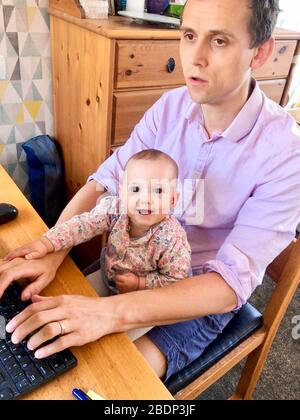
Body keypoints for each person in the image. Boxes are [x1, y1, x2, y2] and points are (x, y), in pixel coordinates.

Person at [1, 0, 300, 382]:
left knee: (105, 382)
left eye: (220, 41)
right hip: (135, 260)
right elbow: (106, 180)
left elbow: (229, 284)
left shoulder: (286, 154)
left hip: (200, 293)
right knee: (35, 347)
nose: (196, 57)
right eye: (189, 36)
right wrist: (52, 250)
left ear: (260, 51)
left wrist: (108, 313)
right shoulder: (169, 108)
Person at [4, 150, 191, 296]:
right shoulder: (116, 209)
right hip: (108, 274)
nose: (145, 199)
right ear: (122, 193)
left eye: (158, 191)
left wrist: (140, 284)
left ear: (173, 200)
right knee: (70, 296)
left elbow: (176, 280)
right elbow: (82, 225)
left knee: (113, 338)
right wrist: (46, 243)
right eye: (135, 189)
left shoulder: (173, 238)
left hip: (146, 295)